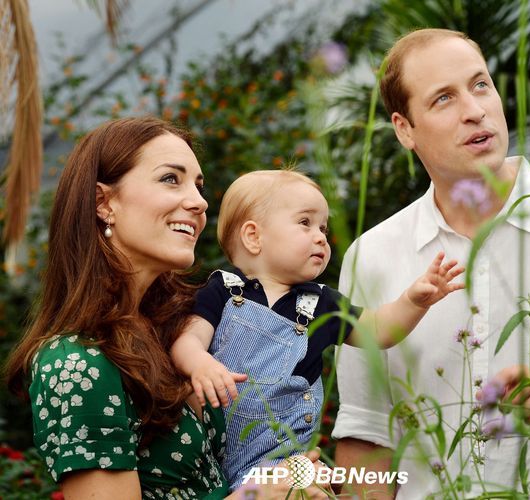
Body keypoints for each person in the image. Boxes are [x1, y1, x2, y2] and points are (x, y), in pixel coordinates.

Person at [332, 28, 530, 498]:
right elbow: (368, 436)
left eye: (480, 85)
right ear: (404, 129)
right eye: (444, 98)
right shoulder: (371, 255)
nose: (474, 110)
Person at [5, 117, 329, 499]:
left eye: (198, 186)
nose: (199, 202)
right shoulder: (76, 363)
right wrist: (258, 495)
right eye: (171, 179)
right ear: (103, 203)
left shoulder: (179, 331)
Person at [169, 169, 465, 490]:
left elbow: (379, 330)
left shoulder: (321, 303)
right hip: (207, 454)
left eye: (323, 227)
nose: (321, 236)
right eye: (305, 223)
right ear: (254, 236)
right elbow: (187, 340)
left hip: (280, 463)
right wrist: (200, 363)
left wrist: (413, 301)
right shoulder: (223, 291)